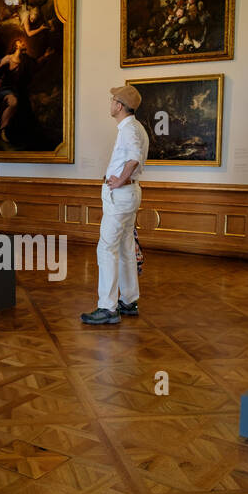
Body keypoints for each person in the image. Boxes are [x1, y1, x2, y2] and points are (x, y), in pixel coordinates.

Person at [81, 85, 149, 325]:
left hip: (121, 194)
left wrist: (119, 179)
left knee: (106, 248)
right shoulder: (135, 127)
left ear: (119, 105)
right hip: (129, 193)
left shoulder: (129, 129)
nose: (110, 103)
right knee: (124, 246)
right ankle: (129, 300)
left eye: (112, 100)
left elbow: (134, 158)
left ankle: (108, 307)